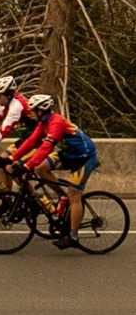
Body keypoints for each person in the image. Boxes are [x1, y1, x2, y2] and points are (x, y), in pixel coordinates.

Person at [7, 93, 97, 245]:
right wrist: (11, 158)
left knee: (74, 195)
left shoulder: (56, 122)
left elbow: (47, 147)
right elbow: (31, 141)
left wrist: (28, 165)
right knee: (41, 169)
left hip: (85, 158)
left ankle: (73, 236)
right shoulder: (44, 123)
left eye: (34, 111)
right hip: (68, 154)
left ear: (41, 111)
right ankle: (62, 197)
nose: (33, 114)